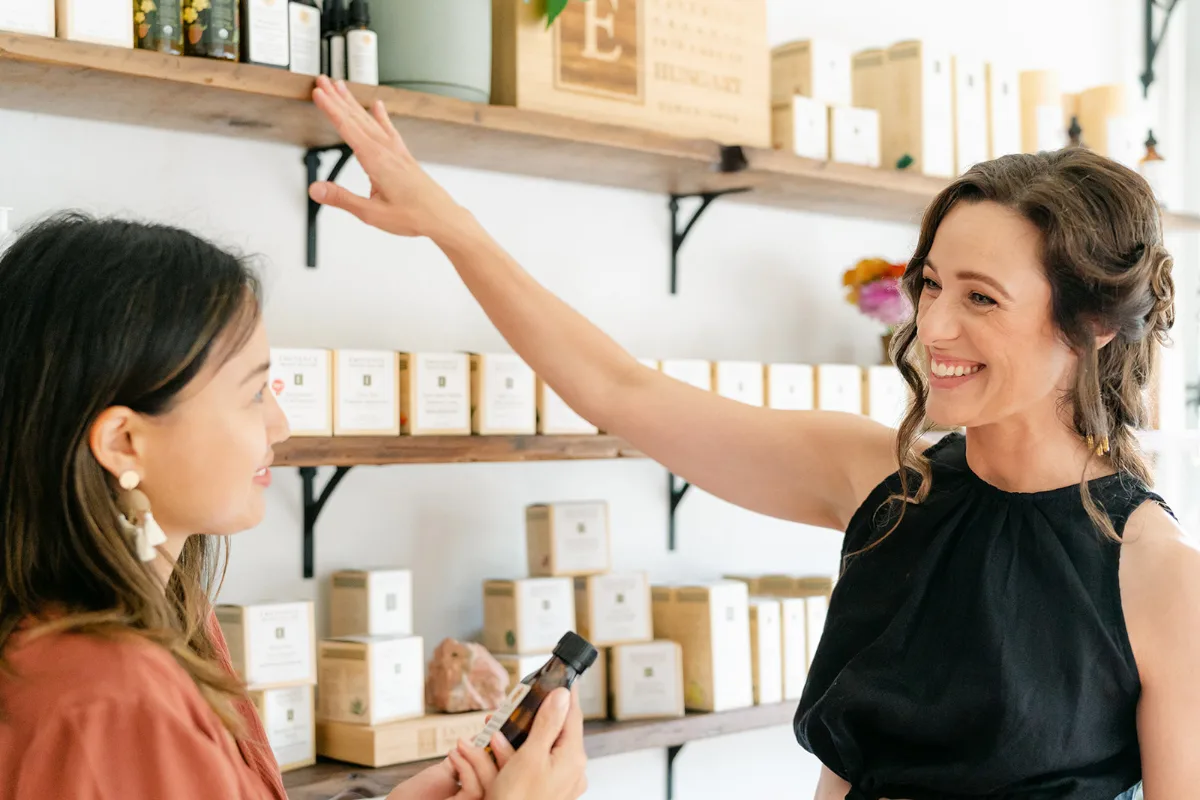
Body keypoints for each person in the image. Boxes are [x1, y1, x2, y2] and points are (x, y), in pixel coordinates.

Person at [306, 74, 1200, 800]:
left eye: (981, 297)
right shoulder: (885, 487)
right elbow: (620, 390)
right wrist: (450, 227)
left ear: (1091, 325)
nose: (934, 326)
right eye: (930, 284)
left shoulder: (1157, 575)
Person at [0, 213, 588, 800]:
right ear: (124, 442)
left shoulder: (176, 619)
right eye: (254, 393)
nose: (280, 425)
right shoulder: (113, 697)